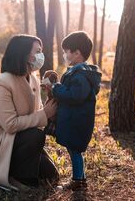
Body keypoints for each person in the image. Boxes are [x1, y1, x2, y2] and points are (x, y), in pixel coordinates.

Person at [0, 35, 59, 190]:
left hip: (20, 140)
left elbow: (36, 114)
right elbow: (9, 125)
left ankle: (23, 173)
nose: (41, 55)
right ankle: (18, 179)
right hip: (0, 143)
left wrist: (49, 104)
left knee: (52, 175)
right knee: (36, 135)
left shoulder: (33, 79)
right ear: (24, 54)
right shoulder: (2, 81)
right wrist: (44, 115)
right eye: (38, 51)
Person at [43, 31, 102, 191]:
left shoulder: (81, 75)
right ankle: (80, 179)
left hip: (76, 120)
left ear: (77, 53)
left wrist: (56, 87)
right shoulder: (78, 72)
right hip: (74, 118)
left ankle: (77, 180)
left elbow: (75, 96)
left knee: (74, 150)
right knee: (74, 149)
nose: (64, 54)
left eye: (66, 51)